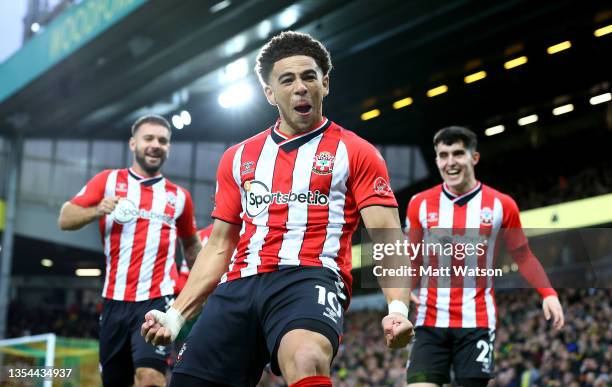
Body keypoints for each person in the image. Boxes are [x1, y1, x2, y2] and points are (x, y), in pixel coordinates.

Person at [140, 31, 414, 387]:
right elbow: (220, 246)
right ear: (270, 93)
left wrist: (397, 309)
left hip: (310, 277)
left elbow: (387, 236)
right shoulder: (237, 158)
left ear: (325, 84)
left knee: (306, 357)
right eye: (287, 80)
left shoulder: (356, 151)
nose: (300, 87)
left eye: (309, 76)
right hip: (239, 284)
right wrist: (175, 316)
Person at [403, 126, 565, 387]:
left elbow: (523, 256)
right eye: (443, 155)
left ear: (474, 158)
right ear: (436, 160)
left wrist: (548, 293)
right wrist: (401, 297)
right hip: (429, 321)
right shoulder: (419, 203)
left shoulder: (502, 205)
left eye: (458, 153)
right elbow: (412, 258)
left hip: (476, 322)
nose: (450, 162)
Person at [58, 114, 201, 387]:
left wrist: (204, 286)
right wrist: (96, 210)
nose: (156, 145)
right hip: (113, 302)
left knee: (149, 378)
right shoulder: (108, 181)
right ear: (133, 143)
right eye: (149, 138)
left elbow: (192, 245)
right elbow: (65, 218)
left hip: (157, 301)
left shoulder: (179, 197)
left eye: (163, 141)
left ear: (168, 147)